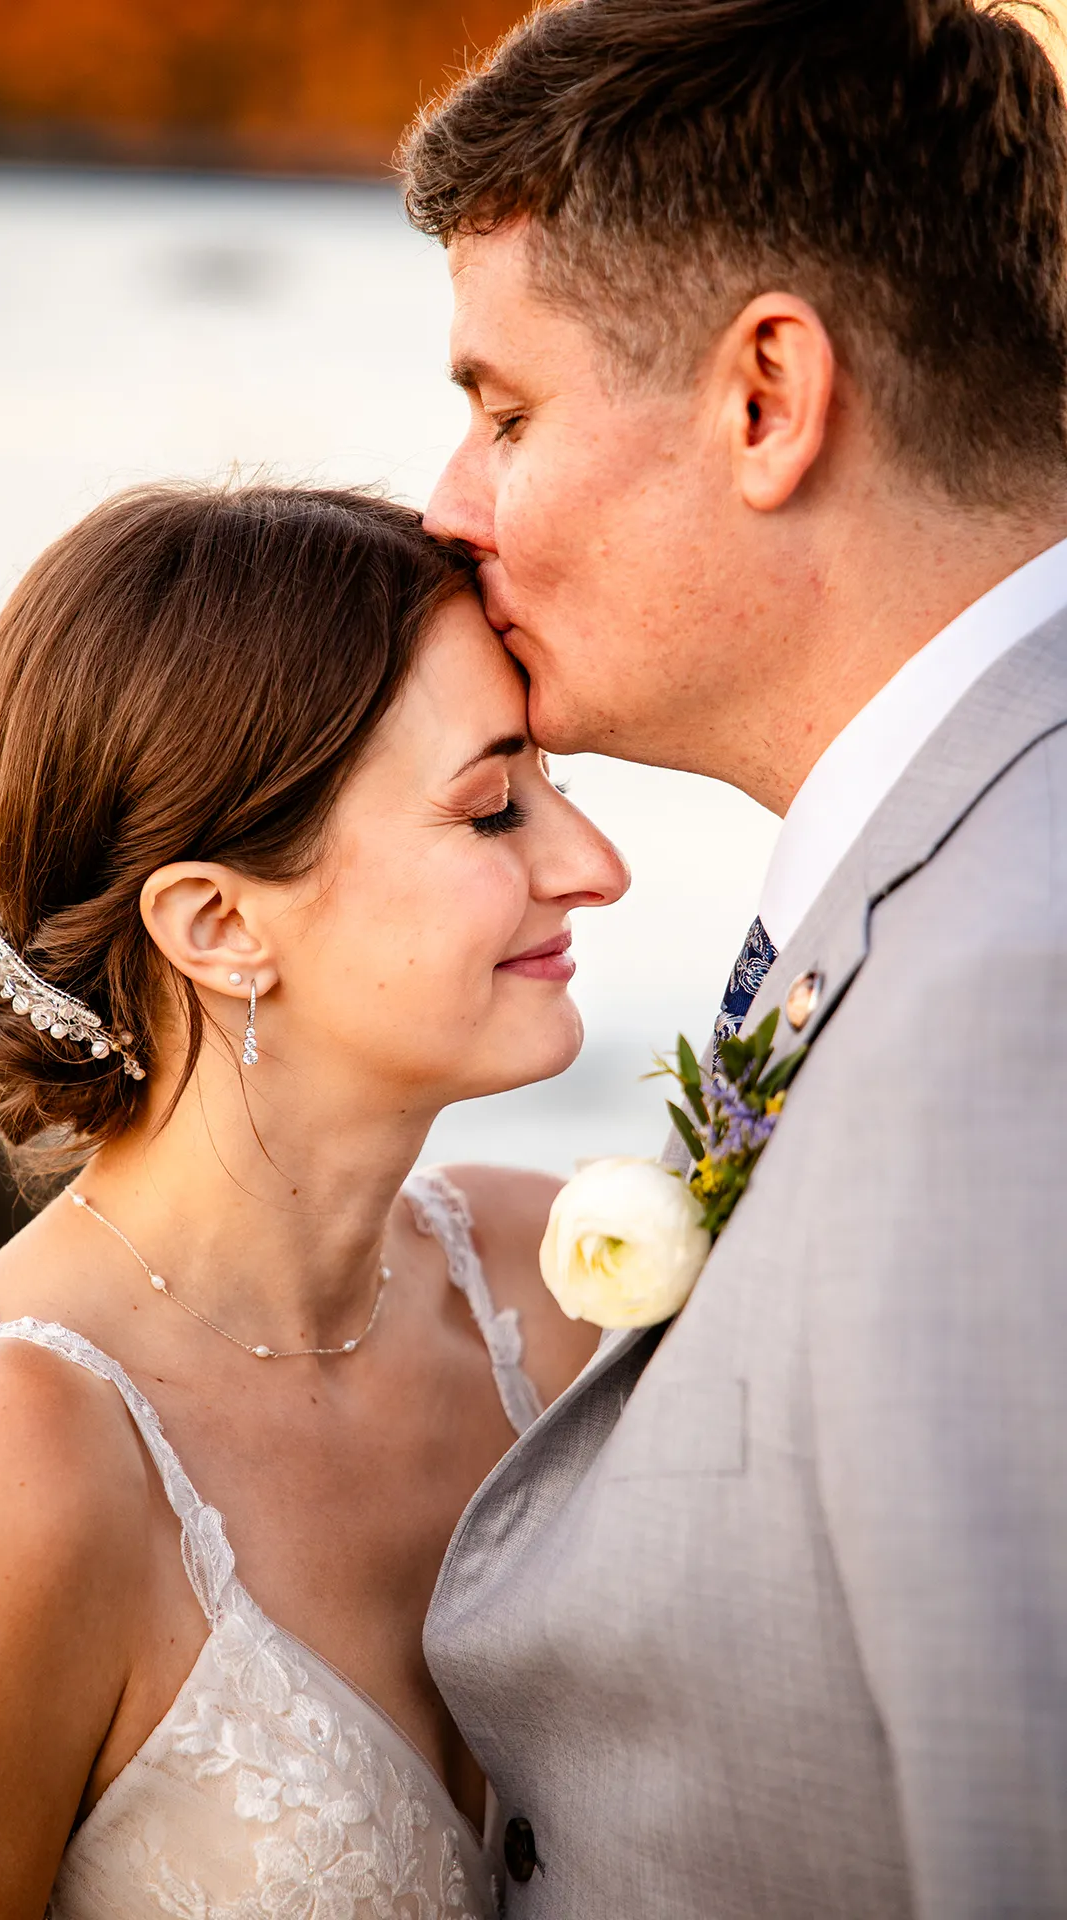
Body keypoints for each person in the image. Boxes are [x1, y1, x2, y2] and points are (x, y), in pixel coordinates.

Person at [402, 0, 1067, 1912]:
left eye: (505, 410)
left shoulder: (1018, 995)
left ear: (767, 398)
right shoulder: (955, 877)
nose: (453, 503)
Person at [0, 483, 627, 1919]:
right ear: (220, 924)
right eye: (493, 809)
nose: (595, 865)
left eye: (553, 789)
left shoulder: (545, 1290)